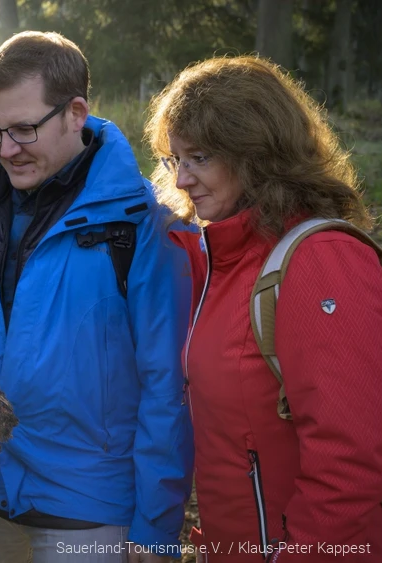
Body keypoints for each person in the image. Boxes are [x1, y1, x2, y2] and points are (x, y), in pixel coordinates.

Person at [0, 31, 195, 563]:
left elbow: (167, 383)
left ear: (75, 113)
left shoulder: (143, 225)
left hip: (88, 509)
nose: (6, 149)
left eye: (23, 129)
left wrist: (155, 524)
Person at [143, 54, 384, 562]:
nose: (181, 179)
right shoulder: (221, 255)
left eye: (200, 157)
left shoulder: (321, 259)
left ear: (256, 153)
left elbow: (346, 465)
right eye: (174, 159)